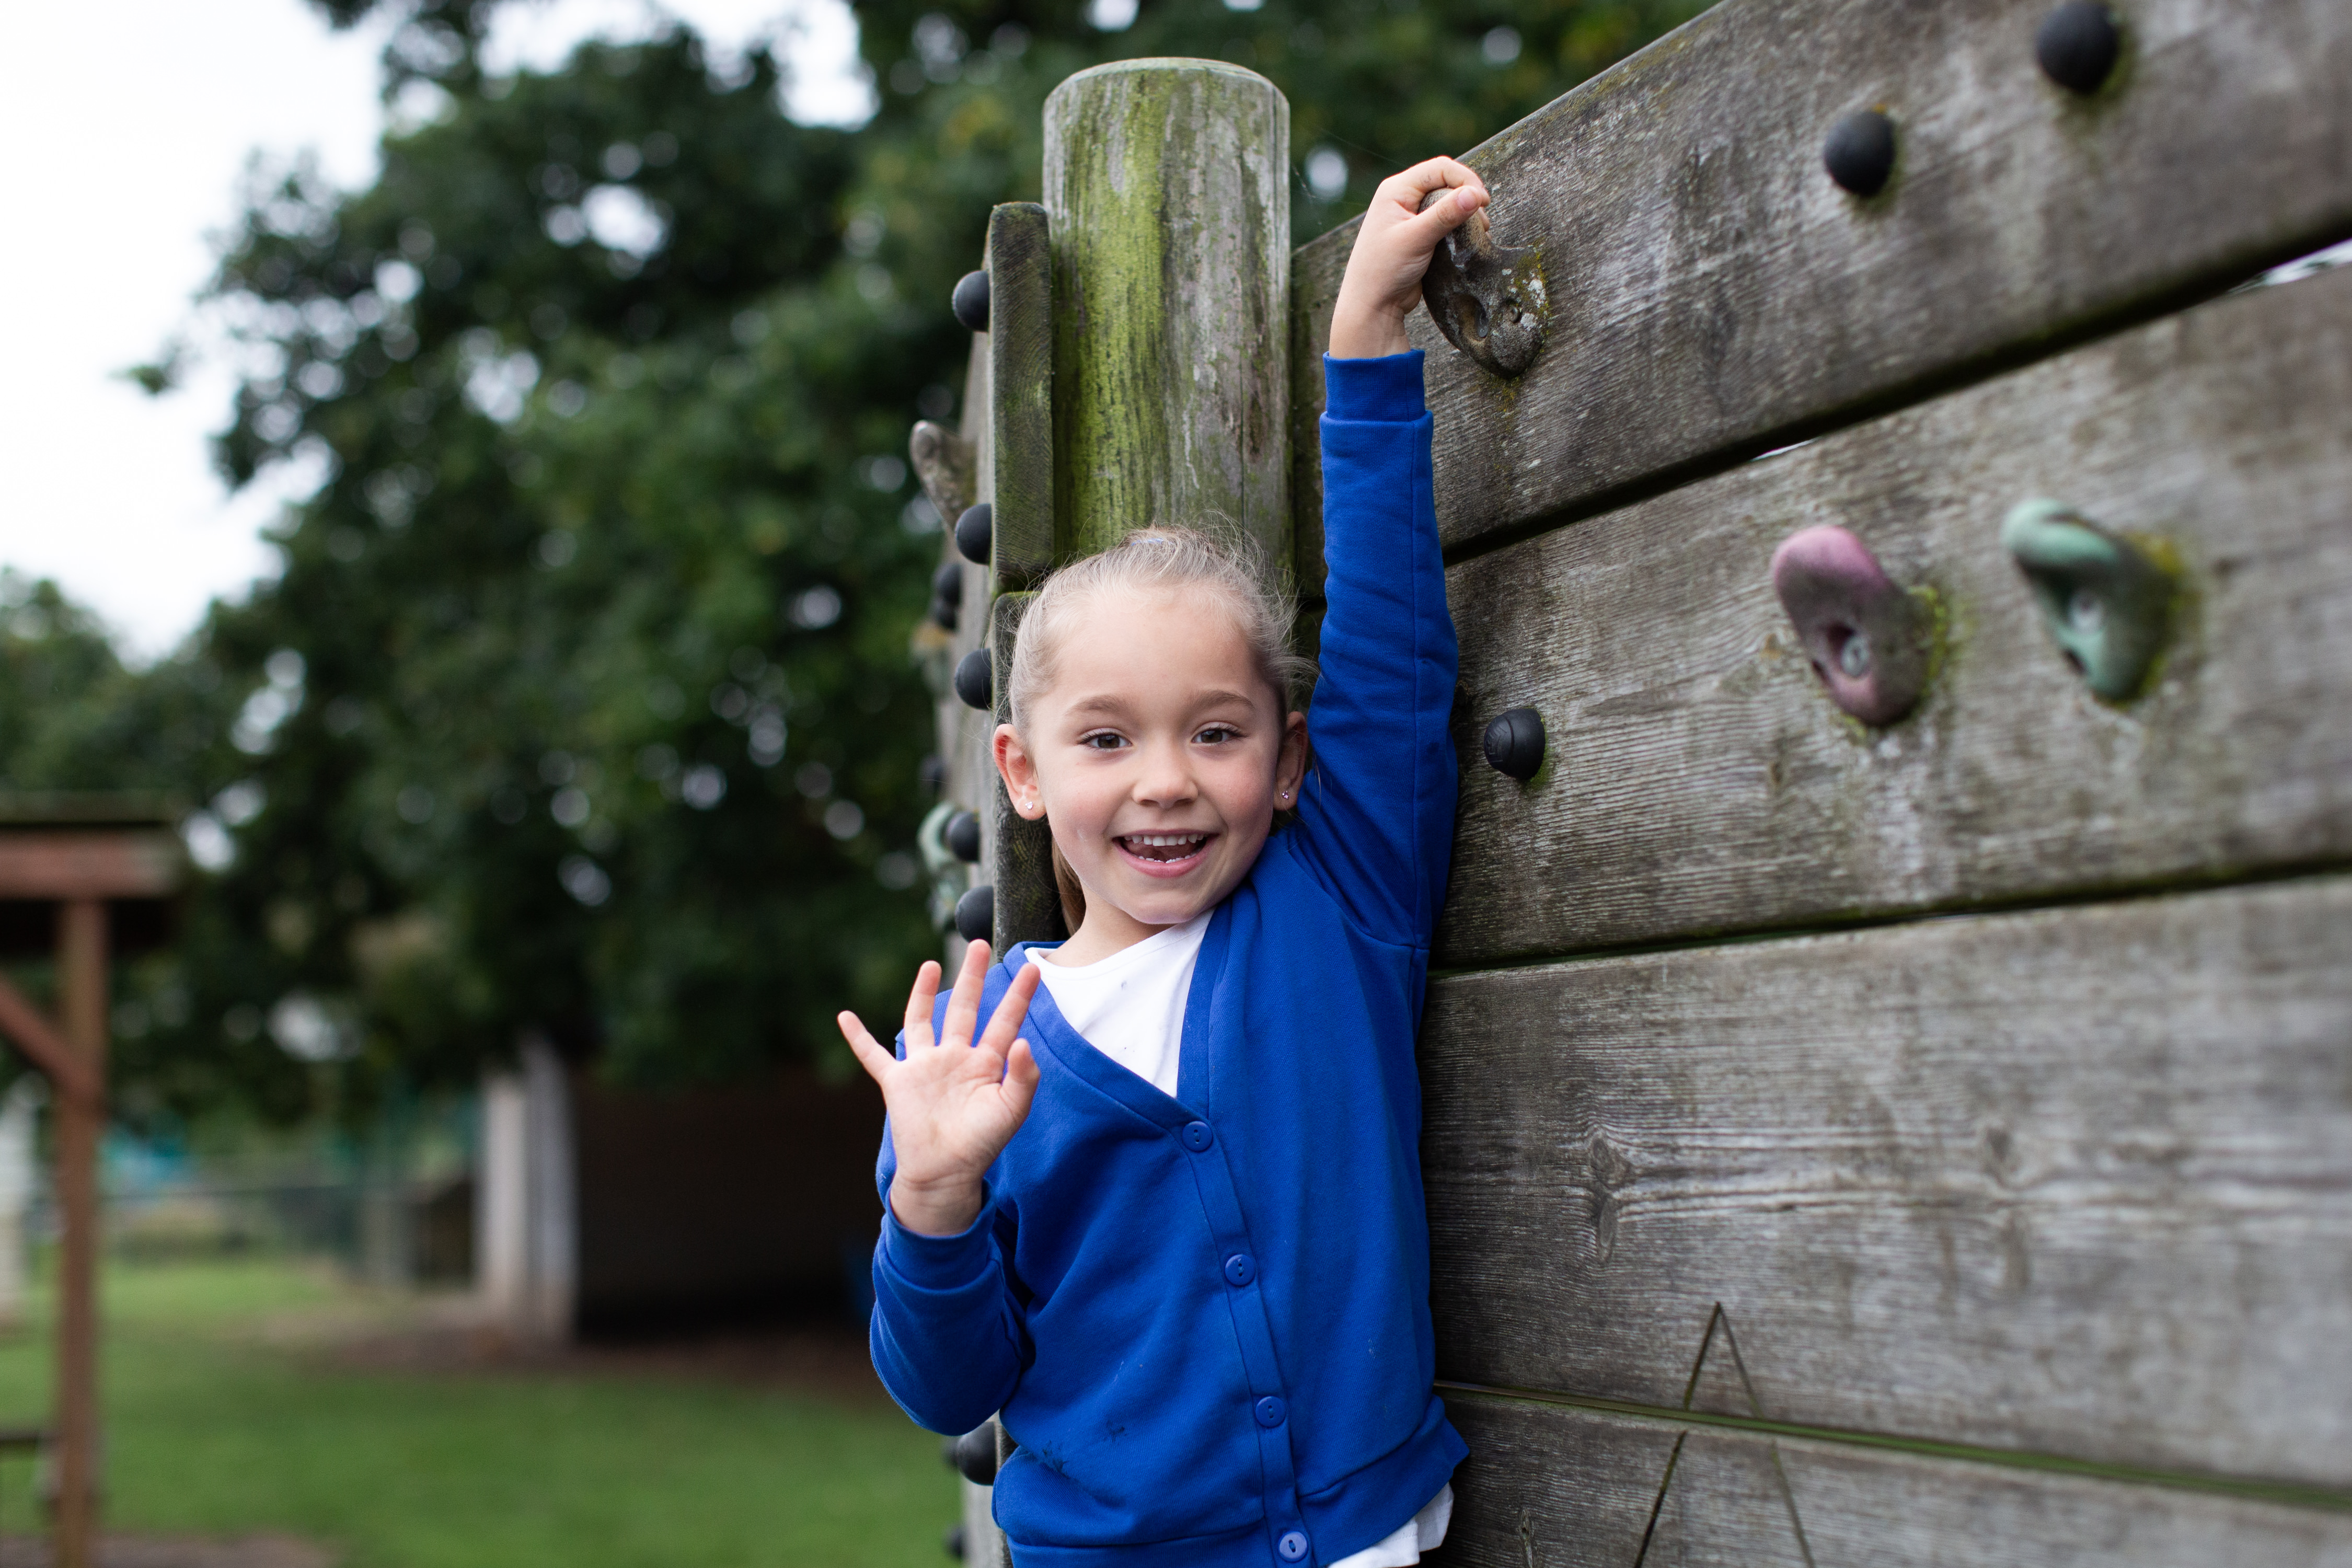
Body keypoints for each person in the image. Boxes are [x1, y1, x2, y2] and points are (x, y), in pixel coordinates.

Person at [837, 156, 1490, 1567]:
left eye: (1214, 731)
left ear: (1291, 759)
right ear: (1021, 774)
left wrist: (1366, 348)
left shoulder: (1340, 901)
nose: (1165, 781)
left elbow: (1388, 659)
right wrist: (933, 1207)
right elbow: (949, 1389)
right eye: (1104, 739)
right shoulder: (973, 1058)